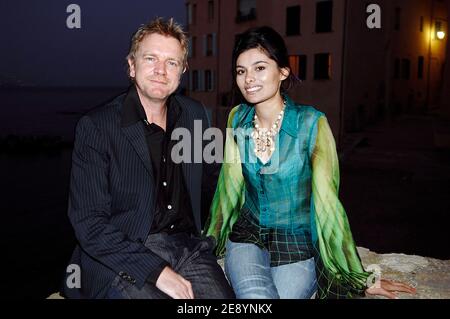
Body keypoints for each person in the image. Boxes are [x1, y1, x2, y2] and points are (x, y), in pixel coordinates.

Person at [204, 26, 416, 299]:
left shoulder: (312, 124)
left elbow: (328, 204)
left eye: (259, 68)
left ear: (283, 72)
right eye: (241, 71)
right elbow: (229, 187)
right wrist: (209, 241)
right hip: (247, 239)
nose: (248, 79)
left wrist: (358, 278)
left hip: (298, 247)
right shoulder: (237, 118)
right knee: (256, 296)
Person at [63, 17, 234, 299]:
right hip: (125, 253)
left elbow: (217, 180)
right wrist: (156, 271)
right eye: (151, 58)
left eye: (172, 62)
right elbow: (89, 223)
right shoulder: (96, 126)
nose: (160, 71)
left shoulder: (195, 115)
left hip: (189, 249)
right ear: (132, 65)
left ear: (182, 71)